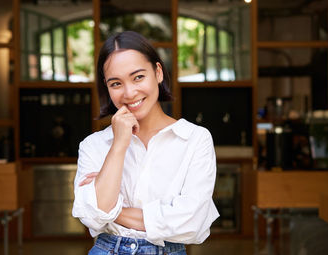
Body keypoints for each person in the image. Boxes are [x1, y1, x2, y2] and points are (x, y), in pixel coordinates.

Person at [72, 31, 219, 255]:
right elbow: (91, 217)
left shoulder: (194, 139)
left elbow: (192, 222)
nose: (130, 93)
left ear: (158, 72)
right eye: (116, 83)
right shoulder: (93, 145)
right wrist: (119, 144)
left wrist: (112, 210)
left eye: (138, 77)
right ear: (107, 87)